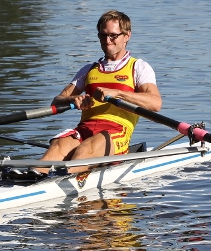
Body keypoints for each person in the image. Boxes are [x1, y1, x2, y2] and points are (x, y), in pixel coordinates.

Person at [32, 10, 162, 176]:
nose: (107, 41)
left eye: (113, 36)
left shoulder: (139, 67)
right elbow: (57, 101)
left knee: (87, 148)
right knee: (58, 145)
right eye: (103, 35)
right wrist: (74, 99)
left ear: (127, 36)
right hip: (84, 129)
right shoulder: (88, 70)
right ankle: (32, 176)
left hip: (116, 132)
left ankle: (64, 178)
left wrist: (117, 93)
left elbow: (155, 103)